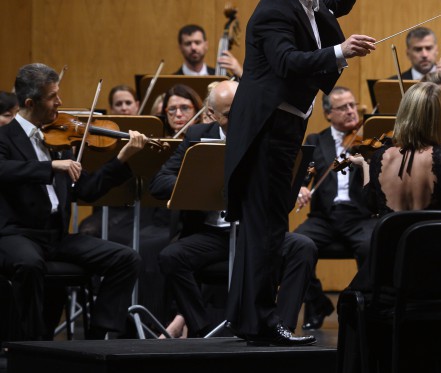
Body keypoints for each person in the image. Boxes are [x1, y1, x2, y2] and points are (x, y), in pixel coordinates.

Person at [223, 0, 375, 346]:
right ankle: (261, 321)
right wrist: (341, 51)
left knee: (271, 224)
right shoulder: (273, 10)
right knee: (266, 228)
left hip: (285, 128)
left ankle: (253, 320)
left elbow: (336, 4)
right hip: (264, 131)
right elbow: (287, 62)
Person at [333, 81, 441, 373]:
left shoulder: (383, 156)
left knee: (357, 302)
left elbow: (370, 203)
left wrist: (366, 166)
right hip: (439, 283)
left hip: (389, 282)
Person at [150, 81, 316, 343]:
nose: (238, 118)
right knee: (171, 257)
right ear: (211, 115)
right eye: (229, 114)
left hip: (255, 233)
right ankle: (202, 328)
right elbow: (159, 183)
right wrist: (201, 181)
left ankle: (280, 327)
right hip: (212, 236)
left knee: (302, 247)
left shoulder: (267, 136)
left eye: (243, 109)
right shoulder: (197, 137)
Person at [0, 63, 146, 341]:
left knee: (126, 259)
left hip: (55, 237)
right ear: (30, 102)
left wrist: (121, 159)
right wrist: (51, 167)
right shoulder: (5, 138)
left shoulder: (59, 137)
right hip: (16, 234)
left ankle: (96, 338)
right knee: (29, 265)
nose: (61, 102)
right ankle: (29, 346)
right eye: (53, 96)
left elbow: (87, 190)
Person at [77, 83, 172, 323]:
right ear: (111, 108)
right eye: (118, 104)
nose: (124, 107)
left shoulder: (148, 132)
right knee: (90, 230)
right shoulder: (102, 133)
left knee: (140, 244)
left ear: (137, 105)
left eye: (128, 103)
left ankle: (138, 312)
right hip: (111, 206)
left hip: (143, 208)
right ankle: (96, 302)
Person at [294, 86, 376, 331]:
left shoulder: (366, 140)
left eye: (353, 105)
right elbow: (302, 176)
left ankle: (364, 309)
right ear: (329, 114)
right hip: (324, 217)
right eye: (343, 107)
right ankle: (317, 302)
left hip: (360, 216)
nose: (351, 111)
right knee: (295, 243)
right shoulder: (316, 141)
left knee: (373, 246)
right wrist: (300, 189)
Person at [174, 24, 243, 79]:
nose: (193, 48)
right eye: (188, 44)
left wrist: (241, 74)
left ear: (206, 45)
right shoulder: (172, 82)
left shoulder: (224, 78)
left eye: (197, 43)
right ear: (180, 48)